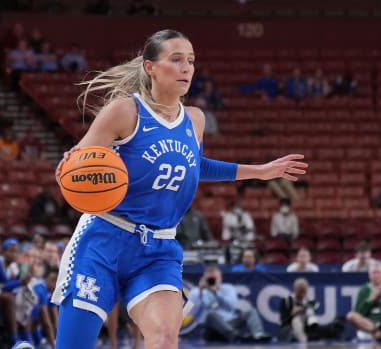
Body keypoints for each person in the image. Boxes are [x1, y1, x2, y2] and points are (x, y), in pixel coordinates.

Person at [51, 29, 307, 349]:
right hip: (104, 239)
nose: (187, 68)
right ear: (151, 68)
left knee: (164, 338)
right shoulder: (124, 111)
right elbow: (79, 164)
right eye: (176, 60)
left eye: (191, 61)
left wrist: (260, 171)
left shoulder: (195, 119)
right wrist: (69, 167)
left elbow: (195, 167)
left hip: (158, 248)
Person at [188, 264, 270, 342]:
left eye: (214, 278)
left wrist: (217, 293)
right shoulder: (196, 292)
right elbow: (191, 312)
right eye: (210, 279)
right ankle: (235, 336)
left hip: (229, 323)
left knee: (251, 311)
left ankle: (258, 335)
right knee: (211, 314)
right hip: (210, 328)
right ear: (204, 278)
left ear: (220, 278)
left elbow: (231, 306)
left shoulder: (228, 288)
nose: (212, 281)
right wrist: (200, 292)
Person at [279, 278, 344, 342]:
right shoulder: (287, 301)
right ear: (295, 289)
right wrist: (292, 314)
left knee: (320, 329)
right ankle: (303, 340)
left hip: (308, 328)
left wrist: (307, 309)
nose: (302, 294)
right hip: (292, 328)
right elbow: (283, 321)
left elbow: (312, 321)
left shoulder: (309, 302)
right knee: (296, 320)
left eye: (304, 291)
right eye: (300, 291)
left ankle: (334, 329)